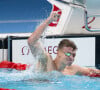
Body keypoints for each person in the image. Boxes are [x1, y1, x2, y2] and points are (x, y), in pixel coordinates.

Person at [27, 11, 100, 77]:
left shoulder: (73, 70)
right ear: (57, 52)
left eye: (73, 55)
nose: (71, 57)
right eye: (68, 54)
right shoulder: (46, 60)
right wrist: (49, 21)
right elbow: (31, 41)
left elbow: (93, 71)